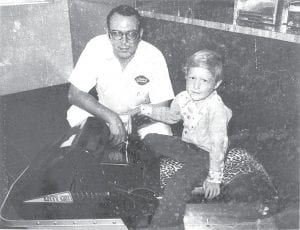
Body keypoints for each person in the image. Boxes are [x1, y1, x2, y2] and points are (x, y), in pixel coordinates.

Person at [139, 50, 232, 229]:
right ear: (186, 76)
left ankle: (165, 226)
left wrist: (214, 178)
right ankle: (144, 188)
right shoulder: (183, 97)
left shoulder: (216, 108)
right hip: (188, 146)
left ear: (216, 84)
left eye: (204, 80)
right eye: (192, 78)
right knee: (150, 139)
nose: (196, 86)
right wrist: (146, 110)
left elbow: (218, 145)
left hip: (206, 154)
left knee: (177, 183)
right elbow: (171, 117)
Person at [67, 5, 175, 147]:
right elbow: (74, 94)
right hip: (103, 115)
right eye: (117, 34)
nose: (124, 41)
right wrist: (112, 118)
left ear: (140, 33)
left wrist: (128, 121)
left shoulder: (154, 56)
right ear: (108, 33)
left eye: (131, 34)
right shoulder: (95, 46)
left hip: (139, 120)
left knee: (162, 132)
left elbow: (161, 105)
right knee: (76, 114)